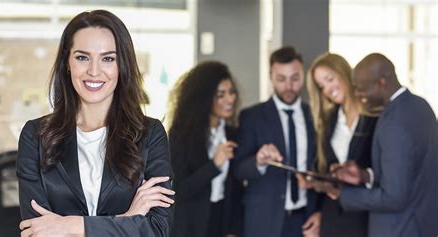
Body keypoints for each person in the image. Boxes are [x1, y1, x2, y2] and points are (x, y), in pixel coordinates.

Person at [16, 10, 173, 237]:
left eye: (108, 58)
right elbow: (36, 232)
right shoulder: (36, 135)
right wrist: (127, 219)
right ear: (67, 62)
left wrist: (71, 226)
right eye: (82, 57)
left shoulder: (150, 134)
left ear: (122, 65)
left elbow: (159, 229)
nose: (94, 71)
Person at [323, 53, 438, 237]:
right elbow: (409, 173)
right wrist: (364, 176)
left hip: (398, 229)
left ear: (382, 83)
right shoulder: (421, 106)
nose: (359, 95)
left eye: (362, 89)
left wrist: (344, 195)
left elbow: (394, 198)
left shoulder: (394, 121)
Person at [234, 46, 319, 237]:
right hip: (264, 221)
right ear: (271, 76)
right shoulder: (252, 117)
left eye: (295, 78)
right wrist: (259, 162)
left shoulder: (315, 116)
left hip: (306, 220)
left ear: (303, 75)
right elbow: (238, 170)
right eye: (281, 79)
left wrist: (320, 211)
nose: (288, 86)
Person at [300, 52, 377, 236]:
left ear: (343, 72)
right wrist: (314, 183)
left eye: (329, 79)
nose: (327, 89)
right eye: (321, 86)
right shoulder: (329, 122)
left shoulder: (375, 116)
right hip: (333, 218)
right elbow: (326, 170)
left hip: (366, 218)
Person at [168, 61, 243, 237]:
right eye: (221, 95)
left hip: (221, 221)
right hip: (190, 226)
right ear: (204, 98)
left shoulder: (234, 134)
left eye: (231, 92)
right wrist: (214, 166)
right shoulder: (180, 136)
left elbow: (236, 189)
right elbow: (178, 191)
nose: (230, 99)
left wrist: (234, 230)